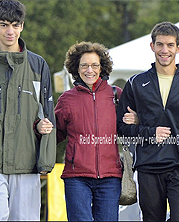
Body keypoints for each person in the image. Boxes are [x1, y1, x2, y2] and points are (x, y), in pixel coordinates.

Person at [0, 0, 56, 220]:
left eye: (15, 25)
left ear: (22, 26)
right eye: (4, 24)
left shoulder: (38, 66)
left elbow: (47, 116)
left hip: (27, 166)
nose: (10, 31)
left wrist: (45, 160)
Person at [117, 21, 179, 221]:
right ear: (152, 46)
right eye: (159, 44)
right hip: (148, 168)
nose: (164, 50)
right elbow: (122, 128)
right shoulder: (136, 84)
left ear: (178, 48)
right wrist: (149, 132)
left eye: (169, 45)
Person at [54, 41, 127, 221]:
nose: (90, 70)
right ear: (76, 68)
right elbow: (55, 134)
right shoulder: (67, 99)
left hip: (110, 177)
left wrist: (136, 120)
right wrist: (37, 129)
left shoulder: (116, 94)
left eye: (95, 65)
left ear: (102, 68)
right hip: (77, 177)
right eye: (84, 65)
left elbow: (130, 129)